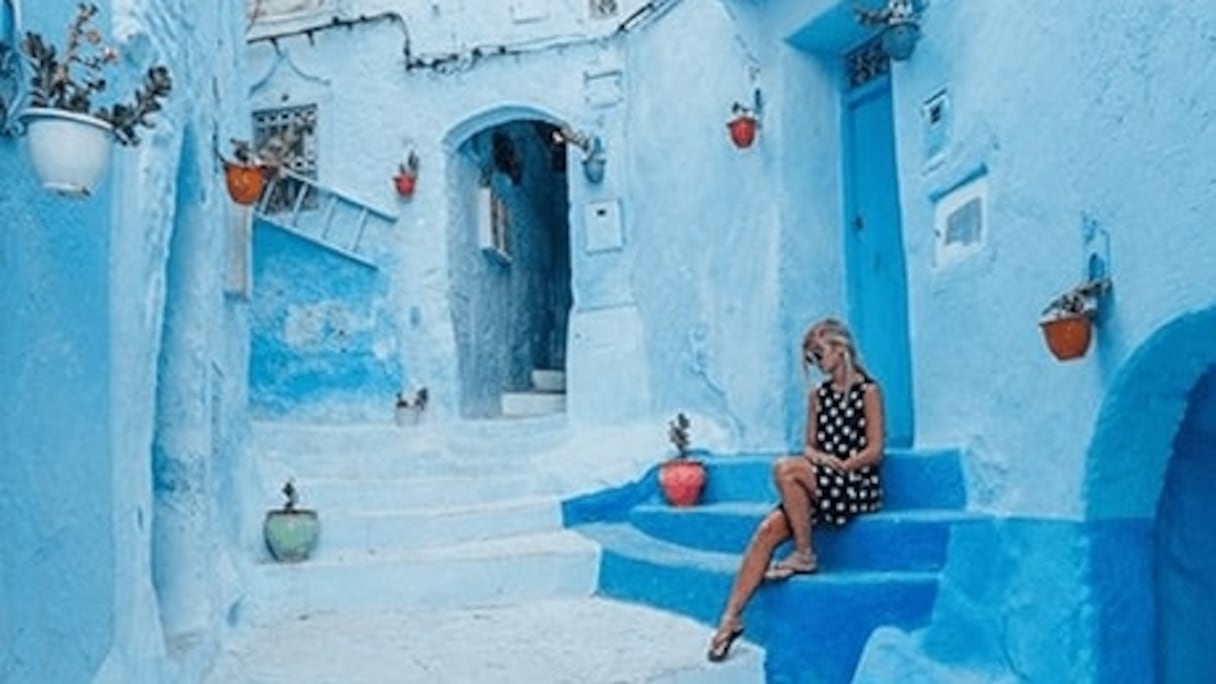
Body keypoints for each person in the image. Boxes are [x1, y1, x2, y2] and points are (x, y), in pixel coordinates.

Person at [706, 317, 886, 662]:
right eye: (812, 359)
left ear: (840, 348)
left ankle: (804, 554)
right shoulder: (819, 396)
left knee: (785, 468)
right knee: (766, 531)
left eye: (820, 355)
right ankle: (730, 619)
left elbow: (875, 450)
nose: (817, 365)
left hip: (856, 485)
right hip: (821, 483)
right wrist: (820, 459)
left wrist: (842, 466)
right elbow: (809, 447)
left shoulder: (869, 391)